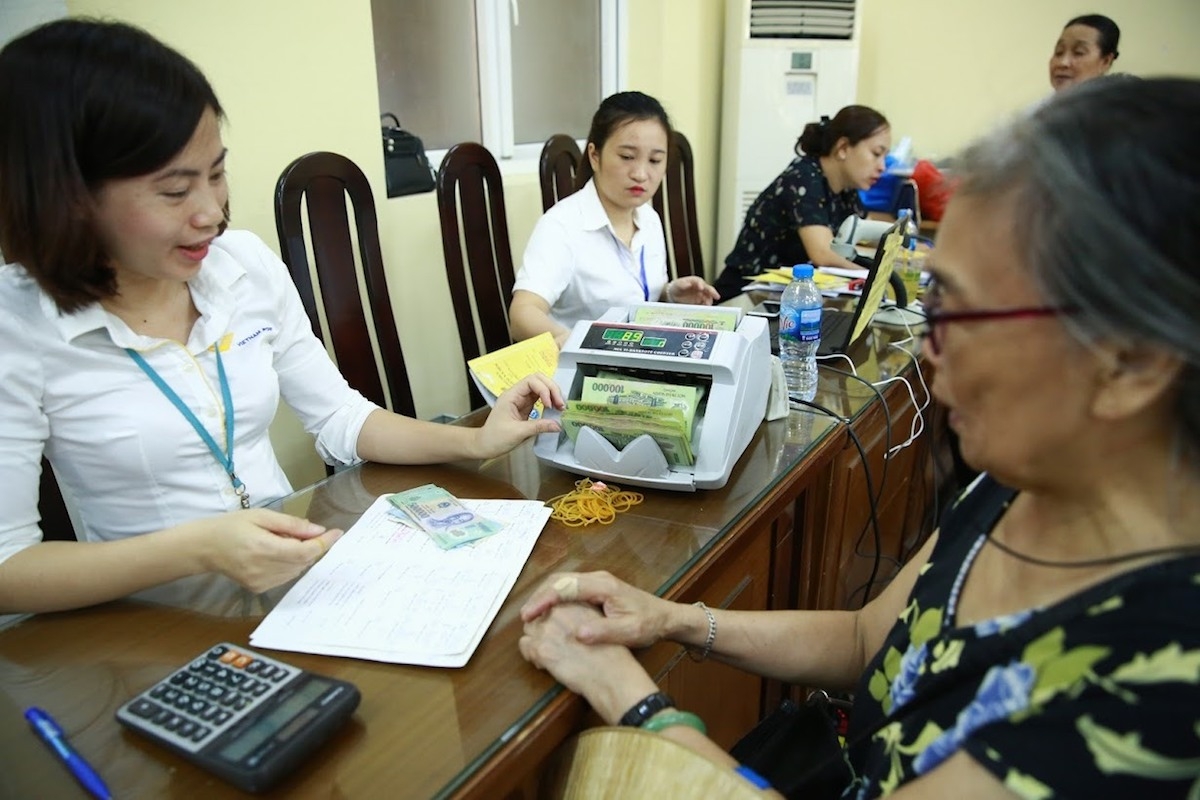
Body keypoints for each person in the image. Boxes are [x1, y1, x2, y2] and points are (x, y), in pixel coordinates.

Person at [519, 76, 1200, 798]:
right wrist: (673, 617)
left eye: (959, 312)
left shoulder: (1158, 668)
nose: (930, 348)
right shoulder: (1013, 486)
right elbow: (865, 640)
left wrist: (638, 702)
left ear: (1130, 363)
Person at [0, 19, 563, 615]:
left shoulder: (240, 266)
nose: (211, 214)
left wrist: (475, 440)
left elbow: (340, 416)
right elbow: (10, 568)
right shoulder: (19, 323)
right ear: (68, 197)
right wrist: (201, 549)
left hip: (291, 580)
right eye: (174, 192)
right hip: (149, 622)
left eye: (216, 174)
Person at [509, 92, 719, 347]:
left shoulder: (649, 219)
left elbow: (636, 298)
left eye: (655, 160)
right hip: (585, 374)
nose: (641, 173)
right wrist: (575, 343)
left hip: (642, 357)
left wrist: (670, 293)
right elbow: (522, 315)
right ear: (595, 156)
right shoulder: (562, 226)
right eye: (627, 157)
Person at [713, 105, 890, 301]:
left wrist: (907, 251)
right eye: (876, 153)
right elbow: (822, 253)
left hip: (789, 299)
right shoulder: (803, 177)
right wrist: (879, 278)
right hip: (746, 296)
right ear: (843, 148)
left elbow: (866, 232)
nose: (882, 166)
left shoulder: (845, 189)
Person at [1049, 14, 1120, 92]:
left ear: (1106, 62)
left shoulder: (1119, 103)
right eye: (1059, 52)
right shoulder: (1043, 103)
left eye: (1078, 52)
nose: (1063, 63)